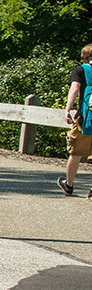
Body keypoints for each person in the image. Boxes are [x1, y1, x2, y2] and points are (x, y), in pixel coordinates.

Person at [61, 42, 91, 196]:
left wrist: (67, 110)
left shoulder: (80, 70)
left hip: (85, 119)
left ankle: (69, 185)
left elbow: (74, 89)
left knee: (76, 153)